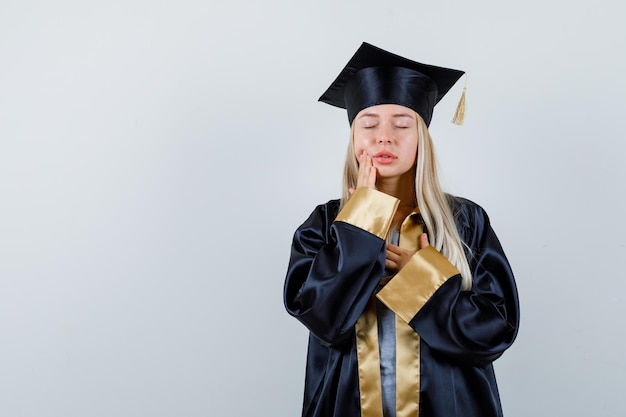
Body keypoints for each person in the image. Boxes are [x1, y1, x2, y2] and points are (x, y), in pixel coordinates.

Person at [283, 42, 520, 417]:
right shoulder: (325, 225)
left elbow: (494, 333)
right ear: (354, 137)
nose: (384, 136)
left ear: (422, 137)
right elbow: (326, 322)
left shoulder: (465, 222)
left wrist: (422, 282)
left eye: (402, 124)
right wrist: (361, 226)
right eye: (369, 123)